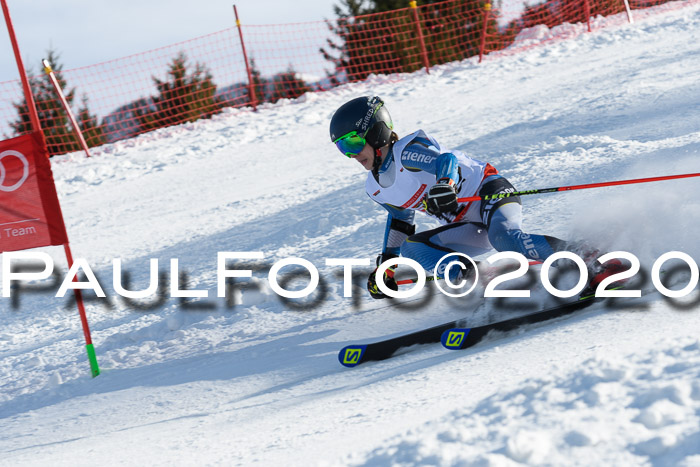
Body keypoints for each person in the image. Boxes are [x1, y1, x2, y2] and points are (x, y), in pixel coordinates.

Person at [329, 95, 619, 299]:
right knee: (413, 249)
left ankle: (587, 259)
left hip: (488, 193)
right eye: (343, 148)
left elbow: (447, 160)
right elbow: (401, 220)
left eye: (353, 141)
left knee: (504, 239)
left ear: (376, 132)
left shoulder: (407, 151)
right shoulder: (375, 186)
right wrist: (386, 266)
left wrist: (445, 185)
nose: (352, 154)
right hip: (466, 220)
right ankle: (489, 285)